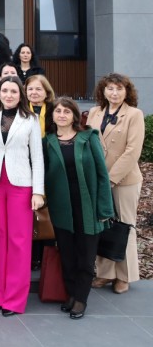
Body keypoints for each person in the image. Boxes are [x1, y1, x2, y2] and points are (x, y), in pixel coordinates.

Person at [0, 76, 45, 316]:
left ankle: (13, 299)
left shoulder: (30, 119)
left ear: (20, 94)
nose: (9, 95)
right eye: (5, 91)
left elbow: (37, 157)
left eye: (14, 91)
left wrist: (38, 191)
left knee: (18, 240)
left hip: (20, 185)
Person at [43, 97, 114, 319]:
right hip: (62, 208)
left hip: (87, 206)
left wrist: (105, 209)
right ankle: (71, 293)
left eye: (67, 111)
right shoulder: (48, 142)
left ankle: (81, 298)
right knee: (67, 255)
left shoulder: (89, 137)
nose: (62, 115)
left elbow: (102, 175)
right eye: (58, 111)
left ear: (74, 115)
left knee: (85, 256)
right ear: (52, 115)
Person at [87, 73, 145, 295]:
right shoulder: (94, 112)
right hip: (98, 180)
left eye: (119, 89)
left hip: (123, 180)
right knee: (104, 225)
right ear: (103, 91)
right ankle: (106, 273)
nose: (114, 93)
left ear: (126, 91)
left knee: (124, 227)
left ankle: (124, 276)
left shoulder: (134, 115)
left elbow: (132, 151)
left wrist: (110, 179)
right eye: (110, 88)